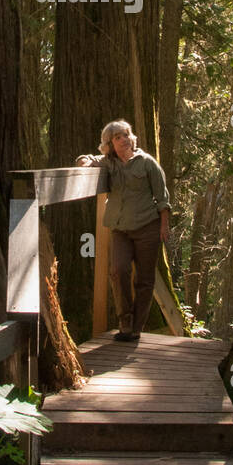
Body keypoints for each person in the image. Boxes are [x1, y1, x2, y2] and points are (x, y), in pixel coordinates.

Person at [76, 120, 170, 342]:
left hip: (148, 226)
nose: (124, 140)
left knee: (145, 279)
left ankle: (136, 327)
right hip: (120, 229)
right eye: (118, 137)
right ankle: (125, 321)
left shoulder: (147, 163)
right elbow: (89, 159)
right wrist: (83, 162)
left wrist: (164, 226)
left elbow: (162, 197)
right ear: (109, 144)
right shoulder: (109, 163)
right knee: (118, 271)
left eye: (126, 135)